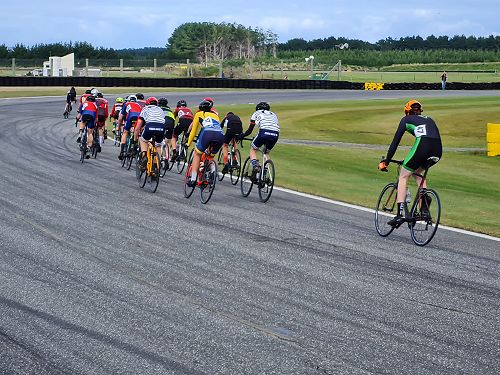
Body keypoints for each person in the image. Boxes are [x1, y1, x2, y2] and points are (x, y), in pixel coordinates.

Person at [378, 100, 442, 227]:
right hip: (438, 149)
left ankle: (399, 214)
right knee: (418, 172)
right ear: (420, 111)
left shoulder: (405, 120)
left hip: (423, 146)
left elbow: (395, 143)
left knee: (403, 175)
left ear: (407, 112)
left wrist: (387, 161)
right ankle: (424, 206)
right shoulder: (429, 119)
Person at [186, 100, 225, 187]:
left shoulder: (198, 114)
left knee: (197, 154)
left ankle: (193, 179)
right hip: (220, 135)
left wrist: (188, 144)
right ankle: (213, 173)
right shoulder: (215, 116)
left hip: (207, 133)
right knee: (211, 157)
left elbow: (193, 131)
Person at [238, 102, 280, 181]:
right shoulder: (274, 114)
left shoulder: (256, 113)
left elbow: (250, 130)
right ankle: (263, 175)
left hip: (264, 132)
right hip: (275, 134)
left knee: (253, 149)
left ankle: (255, 166)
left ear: (257, 109)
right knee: (266, 153)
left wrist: (242, 135)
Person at [135, 97, 166, 170]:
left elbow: (139, 124)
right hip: (161, 127)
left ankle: (144, 155)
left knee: (143, 140)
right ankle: (157, 163)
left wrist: (135, 138)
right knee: (158, 145)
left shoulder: (145, 109)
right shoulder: (160, 109)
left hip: (150, 126)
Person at [117, 95, 142, 160]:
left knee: (125, 132)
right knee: (138, 132)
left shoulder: (126, 104)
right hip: (139, 117)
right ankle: (135, 147)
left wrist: (119, 127)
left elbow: (120, 118)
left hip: (130, 116)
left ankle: (122, 152)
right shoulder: (138, 105)